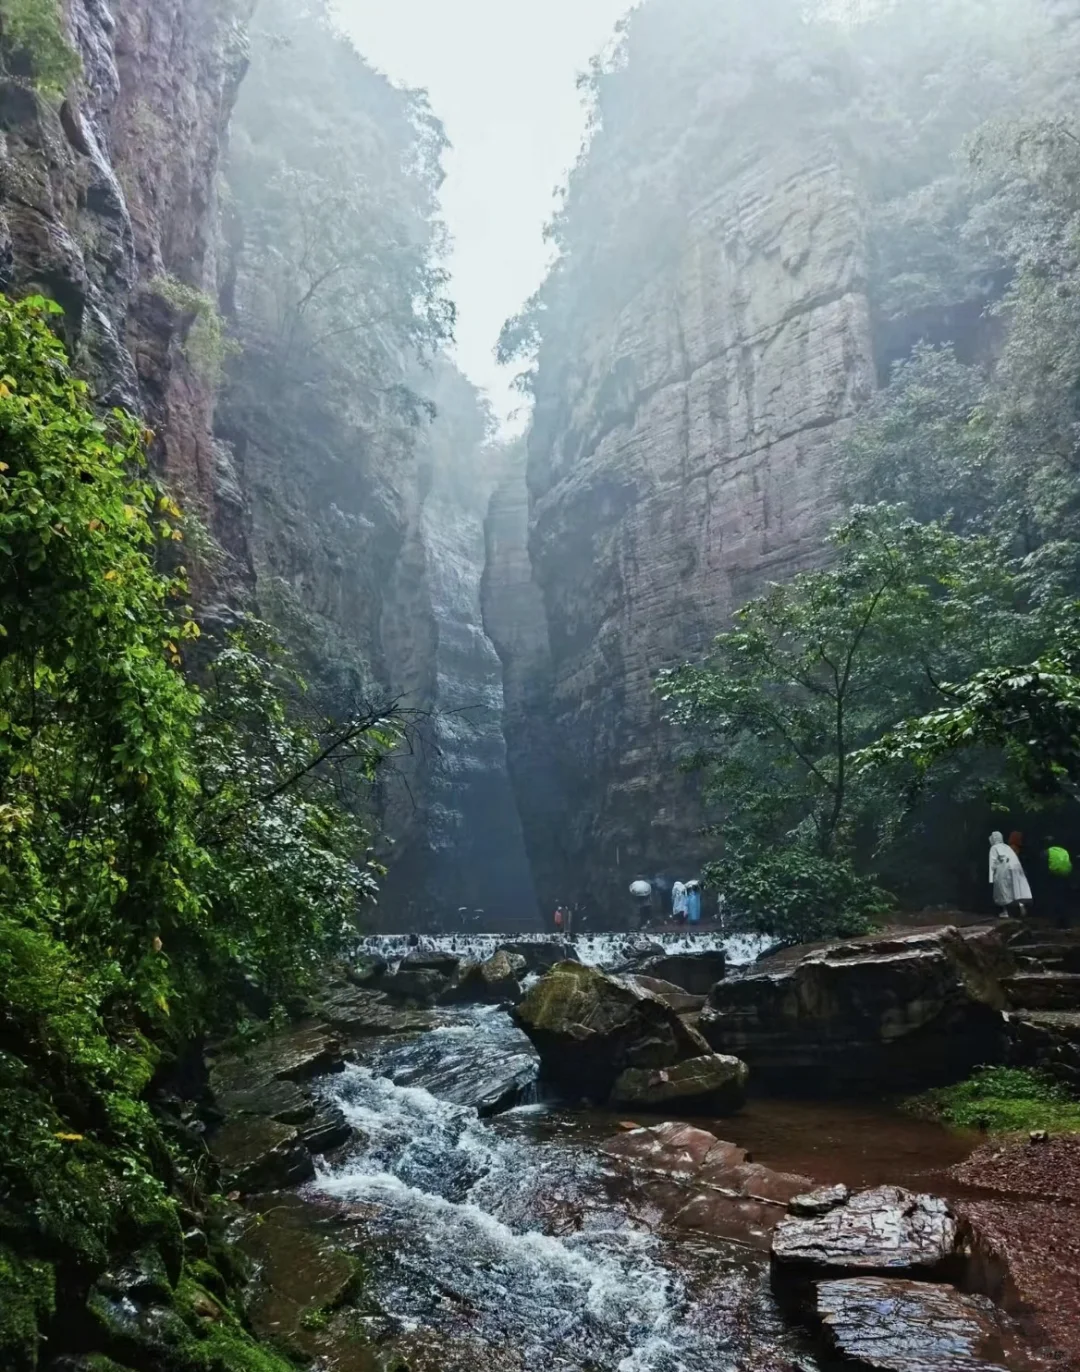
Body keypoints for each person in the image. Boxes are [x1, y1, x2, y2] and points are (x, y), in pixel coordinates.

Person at [989, 831, 1031, 917]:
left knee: (1003, 891)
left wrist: (991, 878)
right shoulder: (1007, 847)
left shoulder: (995, 848)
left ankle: (1006, 911)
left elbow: (993, 863)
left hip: (1004, 870)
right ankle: (1020, 905)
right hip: (1015, 869)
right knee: (1016, 889)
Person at [1042, 838, 1073, 927]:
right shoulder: (1064, 851)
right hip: (1065, 876)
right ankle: (1066, 922)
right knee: (1064, 899)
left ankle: (1057, 922)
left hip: (1054, 876)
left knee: (1055, 899)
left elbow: (1042, 863)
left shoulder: (1048, 851)